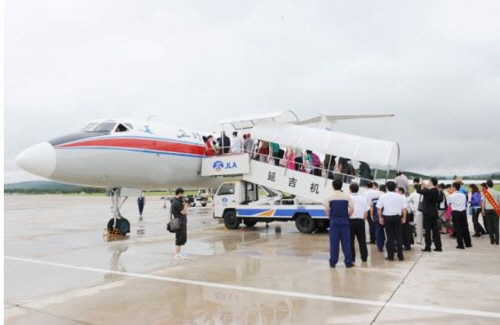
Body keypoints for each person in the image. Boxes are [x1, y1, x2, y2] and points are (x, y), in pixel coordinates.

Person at [324, 179, 354, 268]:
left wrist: (330, 216)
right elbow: (352, 209)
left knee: (334, 243)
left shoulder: (329, 197)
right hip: (345, 221)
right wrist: (347, 216)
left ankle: (333, 262)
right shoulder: (347, 197)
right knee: (346, 243)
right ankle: (348, 262)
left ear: (333, 186)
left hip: (334, 222)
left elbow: (326, 209)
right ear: (341, 186)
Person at [376, 181, 407, 261]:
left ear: (386, 187)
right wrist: (404, 217)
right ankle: (400, 255)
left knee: (390, 237)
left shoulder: (383, 196)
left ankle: (391, 255)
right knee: (398, 236)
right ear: (395, 188)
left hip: (388, 218)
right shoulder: (400, 196)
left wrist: (380, 217)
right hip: (397, 217)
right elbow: (404, 209)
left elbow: (379, 208)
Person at [416, 178, 443, 252]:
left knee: (427, 230)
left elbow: (418, 191)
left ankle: (428, 247)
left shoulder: (429, 191)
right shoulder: (436, 191)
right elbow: (429, 189)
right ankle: (438, 246)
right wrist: (425, 184)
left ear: (431, 182)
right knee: (435, 230)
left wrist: (420, 184)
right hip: (434, 212)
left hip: (427, 212)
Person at [349, 183, 369, 263]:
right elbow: (366, 211)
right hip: (360, 221)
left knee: (351, 240)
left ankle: (352, 258)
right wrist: (363, 219)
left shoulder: (348, 198)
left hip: (350, 220)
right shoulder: (363, 198)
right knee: (362, 240)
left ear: (350, 189)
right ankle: (364, 257)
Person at [448, 182, 472, 249]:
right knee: (465, 228)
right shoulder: (463, 195)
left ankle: (460, 244)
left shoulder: (451, 196)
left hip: (455, 212)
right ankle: (468, 243)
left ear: (454, 188)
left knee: (458, 229)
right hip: (463, 212)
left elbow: (448, 203)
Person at [171, 188, 189, 259]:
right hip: (179, 222)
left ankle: (179, 253)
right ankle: (176, 254)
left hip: (181, 221)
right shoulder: (176, 202)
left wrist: (186, 205)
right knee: (179, 238)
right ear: (179, 193)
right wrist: (186, 205)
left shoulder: (178, 201)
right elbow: (183, 212)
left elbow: (185, 212)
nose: (183, 195)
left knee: (182, 238)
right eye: (182, 194)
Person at [482, 180, 500, 245]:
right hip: (496, 209)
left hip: (488, 210)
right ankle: (497, 241)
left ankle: (492, 240)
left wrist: (483, 210)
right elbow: (499, 202)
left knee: (489, 225)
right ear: (493, 185)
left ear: (487, 185)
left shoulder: (485, 192)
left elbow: (483, 202)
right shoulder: (497, 192)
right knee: (496, 225)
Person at [408, 178, 424, 244]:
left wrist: (411, 208)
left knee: (418, 226)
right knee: (427, 226)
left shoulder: (413, 194)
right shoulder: (424, 194)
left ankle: (419, 240)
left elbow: (407, 201)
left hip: (417, 211)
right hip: (425, 211)